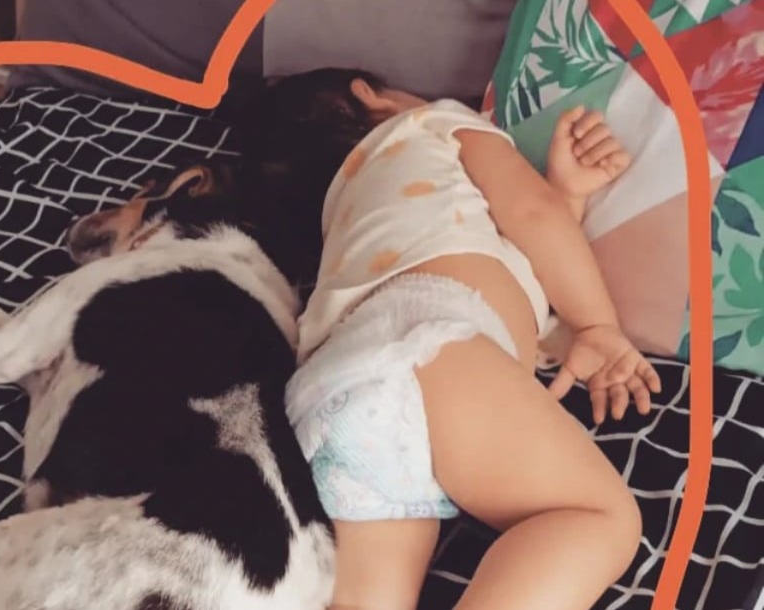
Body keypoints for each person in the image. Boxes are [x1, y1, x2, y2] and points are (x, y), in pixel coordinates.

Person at [242, 69, 662, 610]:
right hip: (427, 341)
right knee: (595, 516)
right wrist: (597, 323)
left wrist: (567, 194)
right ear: (369, 96)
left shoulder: (344, 223)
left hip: (332, 391)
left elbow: (515, 260)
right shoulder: (431, 122)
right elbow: (531, 213)